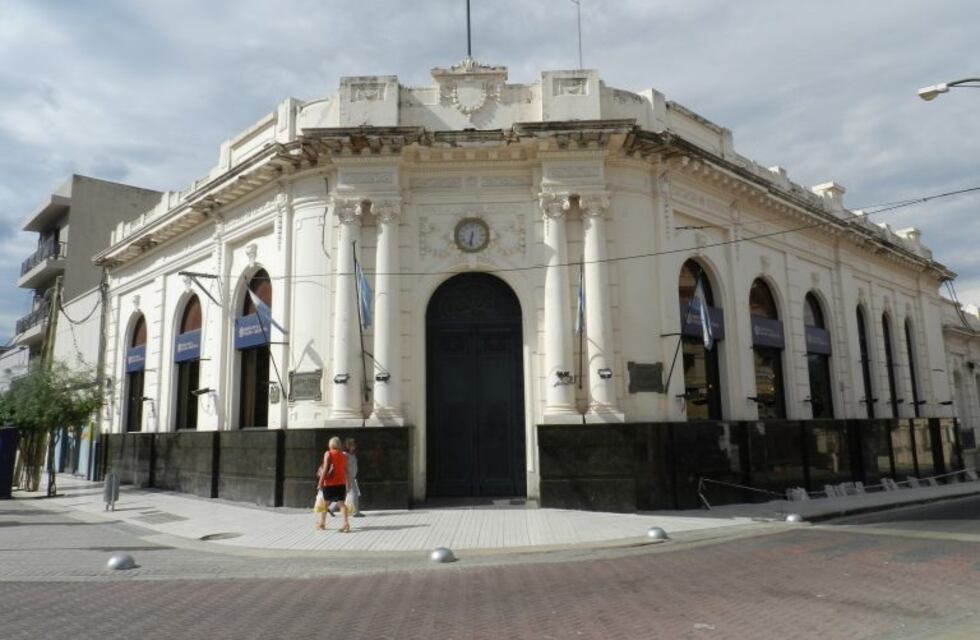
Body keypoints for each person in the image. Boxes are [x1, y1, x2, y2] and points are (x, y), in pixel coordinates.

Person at [315, 436, 350, 533]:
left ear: (331, 444)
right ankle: (346, 524)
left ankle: (322, 523)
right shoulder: (343, 455)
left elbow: (325, 469)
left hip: (329, 483)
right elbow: (347, 470)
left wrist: (320, 482)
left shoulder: (328, 453)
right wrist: (349, 483)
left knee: (325, 504)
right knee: (342, 504)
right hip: (341, 483)